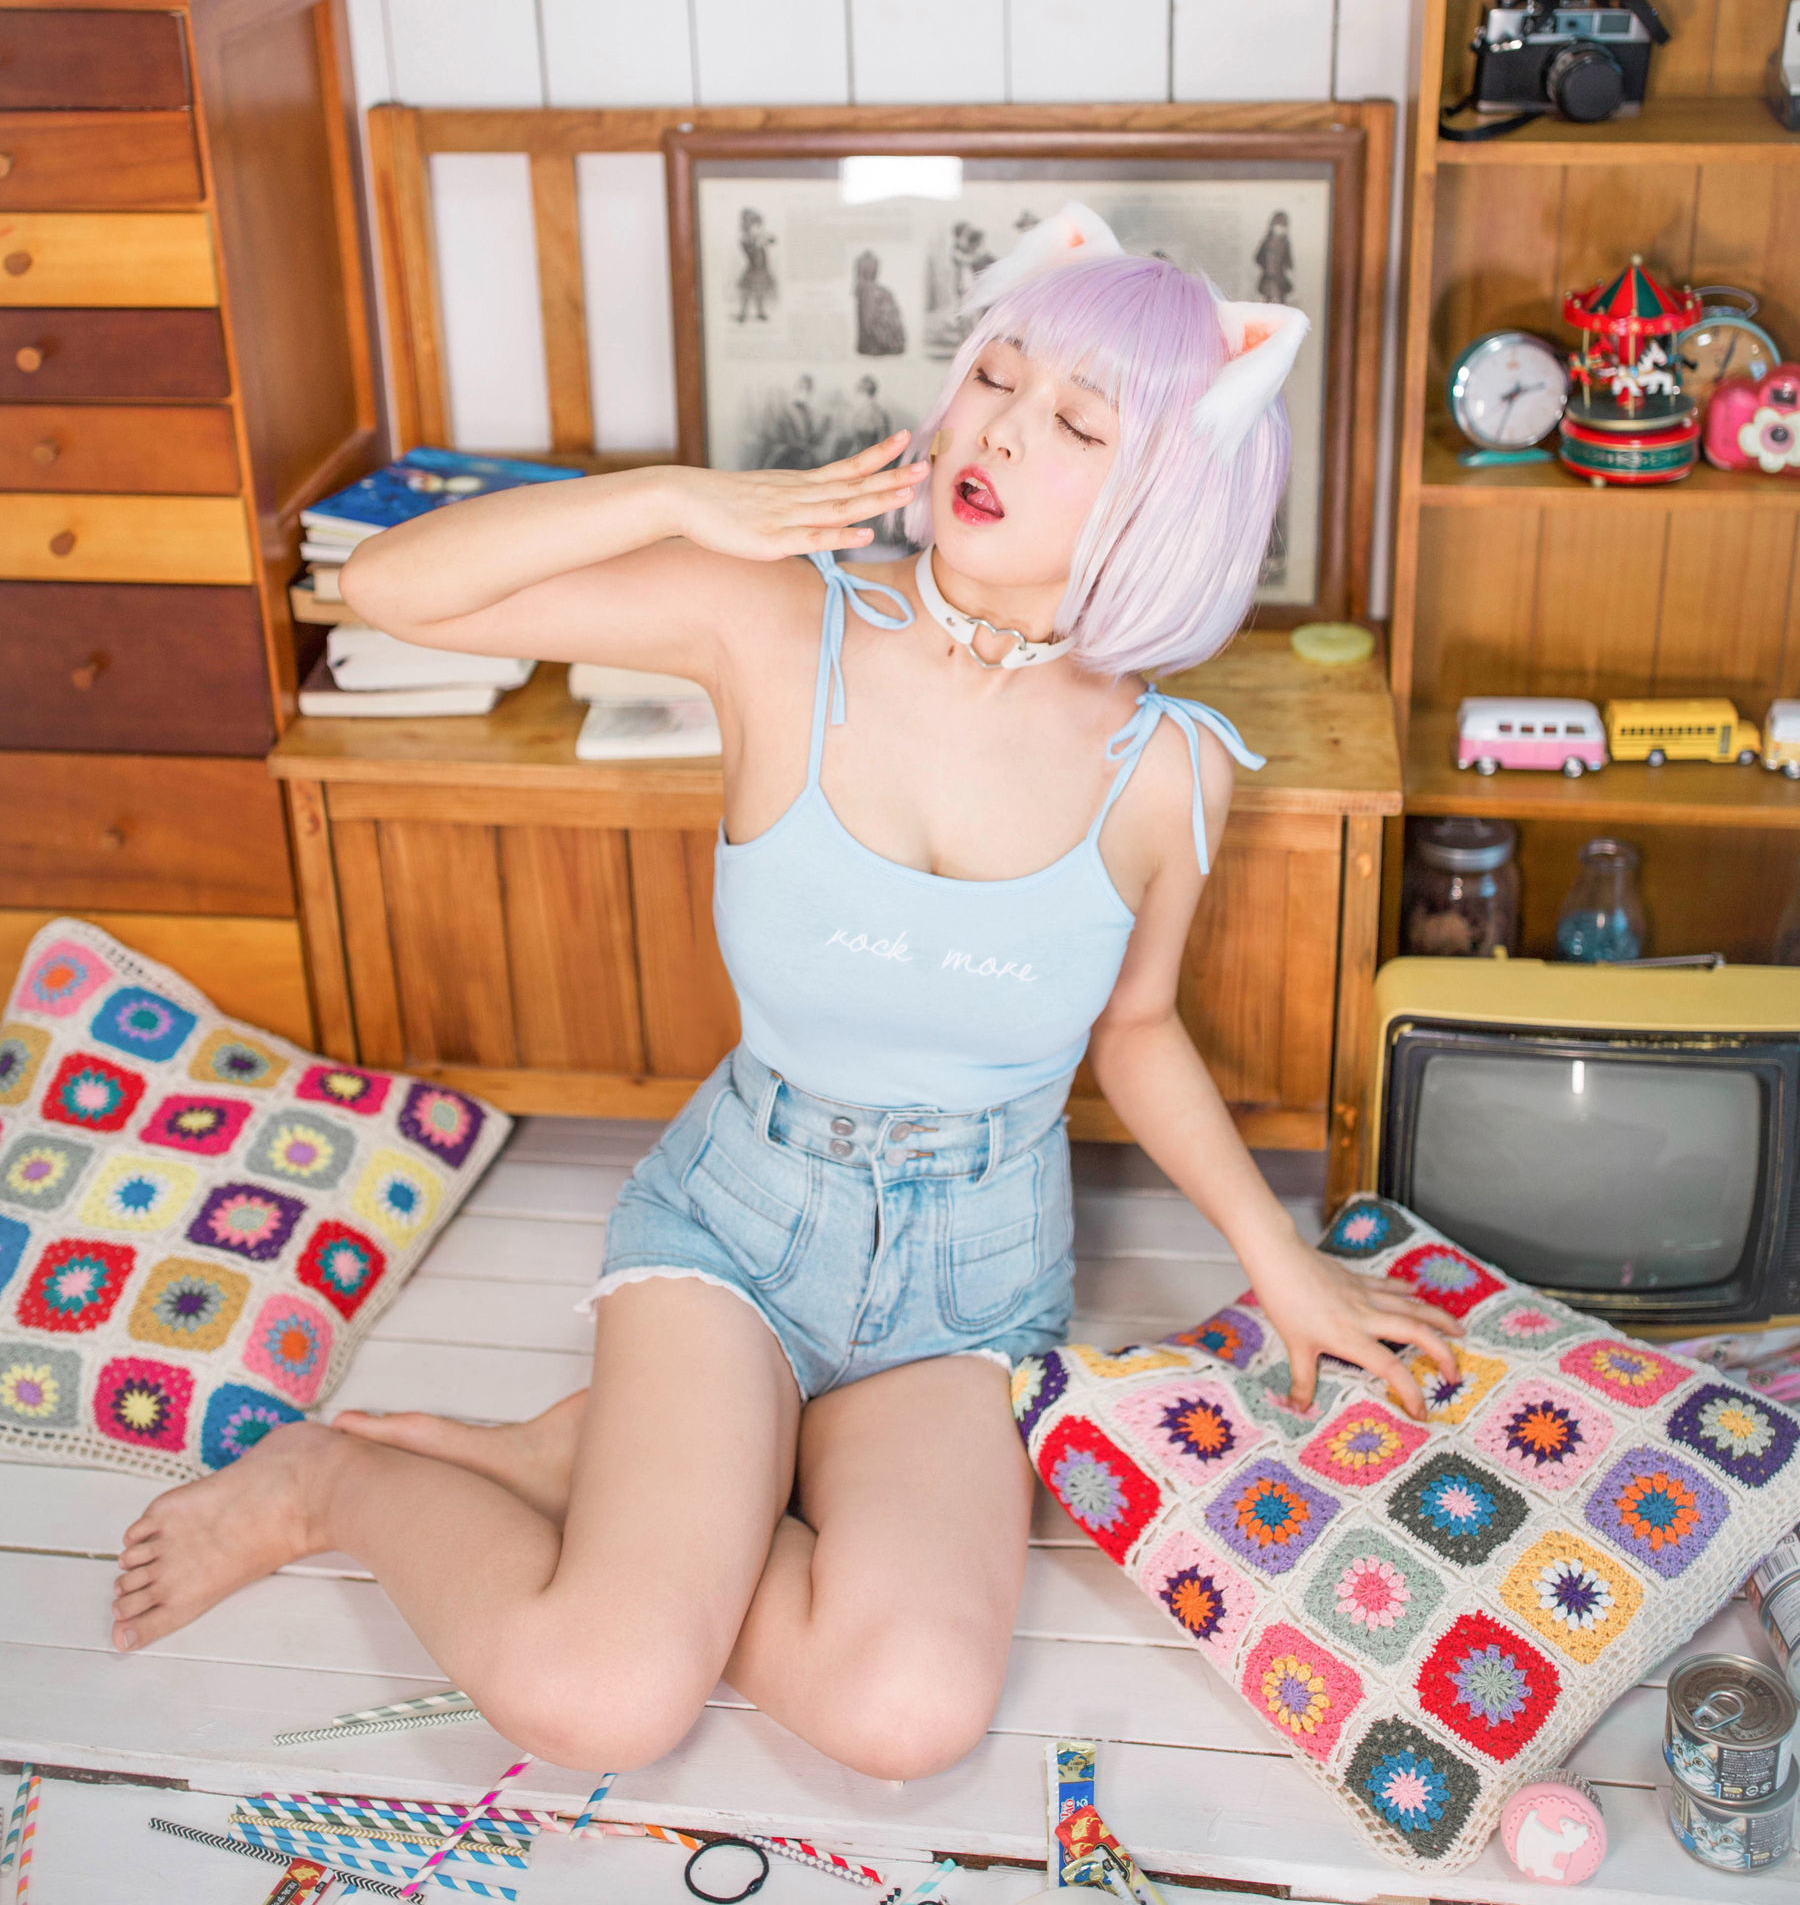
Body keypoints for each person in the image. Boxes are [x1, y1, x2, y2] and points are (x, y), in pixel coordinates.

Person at [108, 206, 1459, 1786]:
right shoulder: (779, 622)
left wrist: (1279, 1263)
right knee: (600, 1702)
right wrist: (682, 496)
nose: (1000, 430)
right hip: (738, 1231)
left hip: (969, 1289)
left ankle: (635, 1474)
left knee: (907, 1716)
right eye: (996, 379)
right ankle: (326, 1485)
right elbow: (390, 587)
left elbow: (1136, 1028)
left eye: (1078, 425)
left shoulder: (1167, 770)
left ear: (1165, 499)